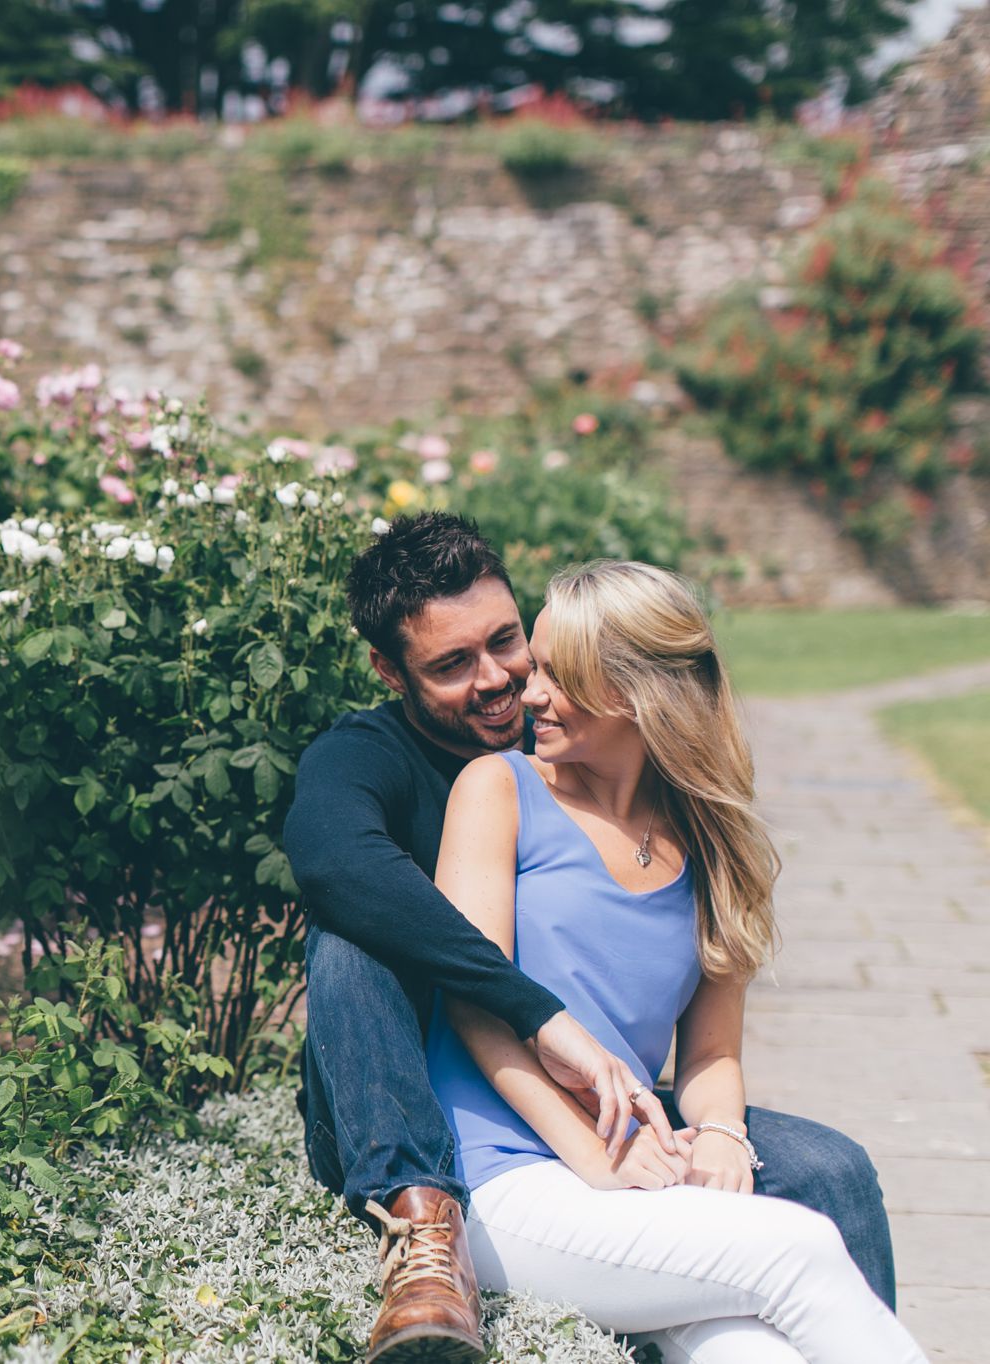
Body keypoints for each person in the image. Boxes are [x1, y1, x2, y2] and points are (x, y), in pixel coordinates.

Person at [283, 515, 895, 1364]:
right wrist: (544, 1023)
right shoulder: (434, 770)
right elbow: (341, 873)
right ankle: (423, 1225)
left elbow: (712, 1051)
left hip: (605, 1099)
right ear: (392, 671)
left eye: (511, 644)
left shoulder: (690, 830)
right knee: (355, 931)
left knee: (825, 1186)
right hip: (458, 1116)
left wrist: (712, 1137)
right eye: (454, 664)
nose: (506, 684)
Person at [425, 558, 923, 1362]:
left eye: (561, 676)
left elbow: (714, 1051)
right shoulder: (499, 789)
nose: (531, 693)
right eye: (538, 667)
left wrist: (722, 1134)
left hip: (634, 1185)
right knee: (802, 1252)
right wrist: (595, 1158)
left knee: (749, 1350)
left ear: (634, 693)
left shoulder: (709, 842)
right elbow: (477, 1008)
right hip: (500, 1181)